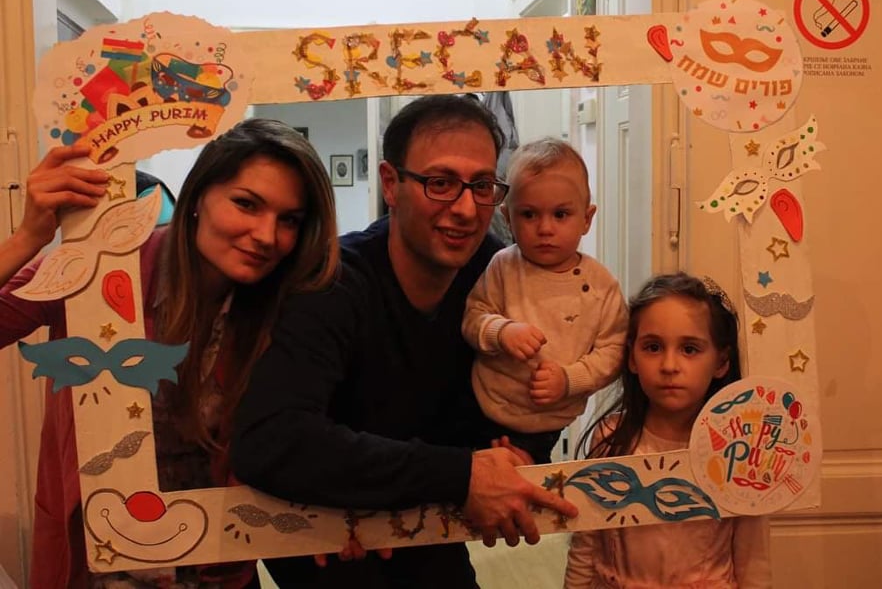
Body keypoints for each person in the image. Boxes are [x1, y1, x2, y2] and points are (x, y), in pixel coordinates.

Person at [230, 95, 578, 588]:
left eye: (482, 186)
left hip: (432, 526)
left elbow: (539, 385)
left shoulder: (499, 272)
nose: (465, 209)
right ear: (391, 184)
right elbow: (272, 439)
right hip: (327, 541)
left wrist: (520, 451)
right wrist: (459, 474)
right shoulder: (333, 284)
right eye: (440, 183)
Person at [0, 118, 339, 588]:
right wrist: (27, 237)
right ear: (199, 196)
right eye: (246, 204)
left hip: (220, 567)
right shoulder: (106, 265)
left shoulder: (289, 305)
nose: (266, 235)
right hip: (99, 563)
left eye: (290, 220)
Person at [564, 273, 772, 588]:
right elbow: (585, 543)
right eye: (653, 347)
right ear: (632, 357)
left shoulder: (740, 451)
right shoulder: (610, 437)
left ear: (721, 362)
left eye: (689, 349)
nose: (669, 365)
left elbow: (753, 558)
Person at [461, 137, 628, 463]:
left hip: (547, 423)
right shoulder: (502, 267)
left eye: (561, 214)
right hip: (484, 407)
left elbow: (614, 350)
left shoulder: (601, 286)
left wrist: (569, 379)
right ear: (507, 218)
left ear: (586, 218)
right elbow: (473, 317)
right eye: (529, 214)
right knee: (480, 476)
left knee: (531, 480)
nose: (545, 228)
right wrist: (501, 331)